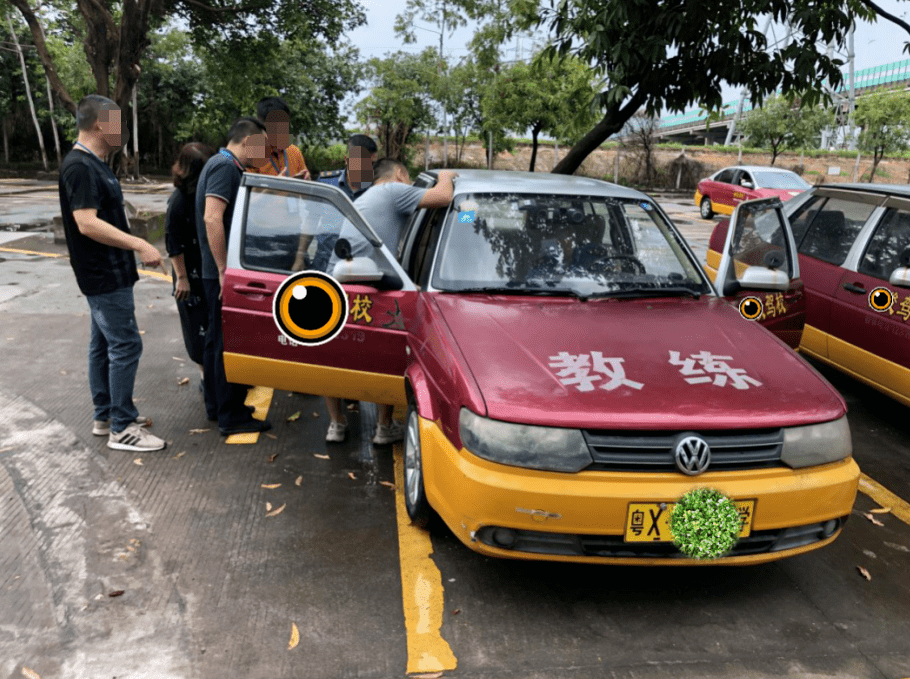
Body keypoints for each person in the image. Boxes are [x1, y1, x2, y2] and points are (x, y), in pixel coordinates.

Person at [59, 94, 167, 452]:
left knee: (103, 343)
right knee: (125, 344)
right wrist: (140, 244)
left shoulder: (98, 164)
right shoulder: (80, 167)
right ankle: (122, 427)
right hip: (101, 273)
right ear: (97, 125)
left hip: (111, 271)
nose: (122, 131)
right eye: (116, 123)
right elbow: (86, 223)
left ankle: (105, 415)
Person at [328, 158, 458, 445]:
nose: (410, 183)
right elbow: (445, 196)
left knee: (334, 353)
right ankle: (384, 428)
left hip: (336, 281)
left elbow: (461, 213)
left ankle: (336, 424)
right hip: (364, 280)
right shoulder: (393, 191)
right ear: (399, 174)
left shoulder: (368, 197)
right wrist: (447, 175)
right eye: (408, 177)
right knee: (389, 350)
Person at [196, 117, 273, 436]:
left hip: (218, 271)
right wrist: (225, 270)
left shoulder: (225, 166)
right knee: (228, 344)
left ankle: (219, 407)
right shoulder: (225, 167)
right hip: (222, 273)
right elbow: (212, 218)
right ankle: (231, 414)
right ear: (247, 142)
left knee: (217, 342)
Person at [315, 135, 378, 443]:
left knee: (371, 348)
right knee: (329, 349)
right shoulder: (326, 186)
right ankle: (336, 421)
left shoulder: (381, 192)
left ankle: (379, 420)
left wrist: (467, 211)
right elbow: (315, 230)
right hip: (329, 277)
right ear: (347, 159)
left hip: (371, 280)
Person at [165, 142, 215, 398]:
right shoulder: (179, 201)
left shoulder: (208, 195)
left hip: (209, 268)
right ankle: (207, 380)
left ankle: (218, 377)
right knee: (198, 328)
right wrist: (182, 278)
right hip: (190, 273)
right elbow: (173, 244)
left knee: (215, 324)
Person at [250, 97, 310, 179]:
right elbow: (245, 188)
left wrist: (308, 181)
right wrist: (275, 185)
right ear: (262, 126)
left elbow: (306, 181)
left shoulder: (294, 152)